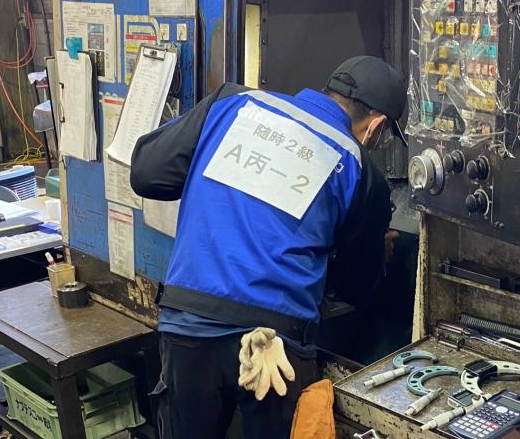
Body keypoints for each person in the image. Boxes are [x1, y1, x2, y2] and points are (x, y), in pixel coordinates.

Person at [130, 56, 407, 439]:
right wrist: (378, 252)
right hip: (277, 349)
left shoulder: (231, 103)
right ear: (376, 126)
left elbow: (146, 174)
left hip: (190, 326)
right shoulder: (359, 166)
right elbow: (354, 288)